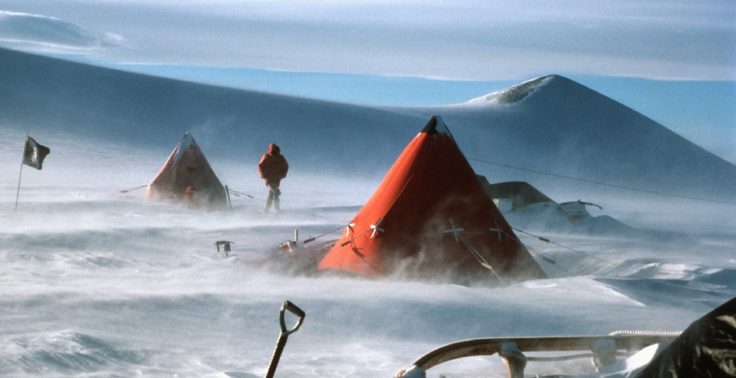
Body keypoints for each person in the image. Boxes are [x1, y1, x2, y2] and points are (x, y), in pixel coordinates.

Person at [257, 143, 289, 212]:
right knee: (274, 191)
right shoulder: (266, 157)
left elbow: (286, 166)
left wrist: (283, 174)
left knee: (272, 193)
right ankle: (276, 208)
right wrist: (264, 175)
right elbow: (260, 166)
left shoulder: (280, 158)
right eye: (272, 151)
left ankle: (268, 208)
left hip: (277, 178)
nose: (274, 154)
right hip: (269, 178)